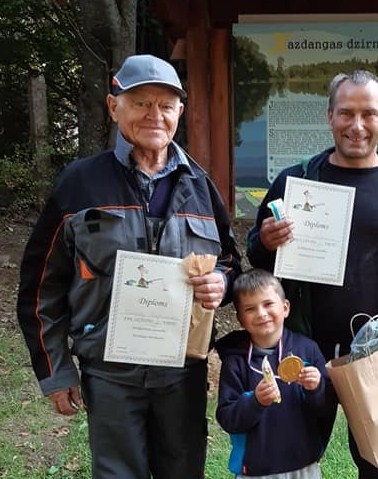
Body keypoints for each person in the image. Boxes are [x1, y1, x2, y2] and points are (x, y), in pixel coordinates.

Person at [16, 54, 242, 479]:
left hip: (181, 374)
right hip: (109, 374)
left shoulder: (200, 186)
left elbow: (230, 260)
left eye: (166, 104)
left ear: (181, 111)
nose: (154, 115)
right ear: (113, 105)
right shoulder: (80, 183)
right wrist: (56, 370)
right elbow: (38, 286)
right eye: (140, 103)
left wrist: (221, 283)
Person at [246, 70, 378, 478]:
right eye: (346, 113)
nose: (357, 126)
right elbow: (259, 261)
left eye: (369, 114)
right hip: (304, 349)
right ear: (329, 117)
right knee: (292, 459)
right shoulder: (295, 181)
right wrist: (266, 241)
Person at [216, 268, 336, 478]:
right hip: (255, 470)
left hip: (303, 466)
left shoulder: (308, 350)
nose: (261, 313)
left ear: (286, 307)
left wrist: (316, 389)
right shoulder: (235, 361)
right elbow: (227, 419)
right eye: (250, 309)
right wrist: (255, 401)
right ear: (240, 319)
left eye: (268, 304)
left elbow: (326, 408)